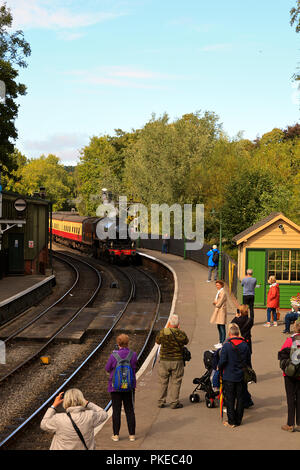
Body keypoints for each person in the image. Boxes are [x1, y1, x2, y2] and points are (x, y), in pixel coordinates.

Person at [40, 388, 108, 450]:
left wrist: (53, 406)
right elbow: (104, 414)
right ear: (82, 400)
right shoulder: (90, 416)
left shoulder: (59, 419)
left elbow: (43, 424)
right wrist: (87, 403)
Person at [105, 334, 137, 442]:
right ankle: (132, 435)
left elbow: (107, 368)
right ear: (128, 343)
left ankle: (116, 435)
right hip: (129, 387)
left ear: (118, 343)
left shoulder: (113, 356)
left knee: (116, 411)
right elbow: (134, 366)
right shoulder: (133, 354)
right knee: (130, 410)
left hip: (115, 388)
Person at [218, 324, 252, 428]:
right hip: (241, 375)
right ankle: (238, 420)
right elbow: (248, 361)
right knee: (240, 398)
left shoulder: (227, 345)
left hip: (229, 375)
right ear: (238, 333)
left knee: (230, 399)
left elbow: (222, 361)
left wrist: (219, 369)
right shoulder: (245, 344)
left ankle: (231, 421)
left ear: (229, 333)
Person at [156, 314, 189, 409]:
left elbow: (157, 342)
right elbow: (186, 341)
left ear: (169, 323)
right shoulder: (181, 333)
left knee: (163, 381)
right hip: (177, 361)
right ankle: (174, 402)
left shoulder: (162, 332)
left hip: (164, 361)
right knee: (176, 381)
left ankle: (161, 401)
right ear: (178, 324)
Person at [279, 320, 300, 432]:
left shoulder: (290, 340)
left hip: (290, 374)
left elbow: (282, 354)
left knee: (291, 398)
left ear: (295, 328)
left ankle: (290, 424)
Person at [210, 280, 227, 348]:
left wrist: (215, 303)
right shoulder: (219, 291)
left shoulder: (223, 292)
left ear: (221, 285)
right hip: (219, 311)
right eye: (216, 285)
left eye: (218, 285)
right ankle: (220, 341)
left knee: (222, 327)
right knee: (219, 326)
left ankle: (222, 342)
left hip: (221, 311)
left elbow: (219, 303)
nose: (217, 286)